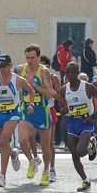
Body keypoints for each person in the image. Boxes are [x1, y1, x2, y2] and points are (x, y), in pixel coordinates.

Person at [0, 54, 35, 188]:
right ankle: (14, 154)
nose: (2, 69)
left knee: (4, 141)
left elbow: (31, 91)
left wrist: (30, 104)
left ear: (10, 66)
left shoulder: (18, 80)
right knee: (3, 144)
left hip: (12, 114)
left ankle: (2, 177)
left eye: (4, 66)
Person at [59, 62, 97, 192]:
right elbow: (63, 106)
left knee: (80, 151)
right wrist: (63, 110)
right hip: (72, 122)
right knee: (74, 154)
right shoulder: (64, 89)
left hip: (86, 122)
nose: (69, 75)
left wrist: (94, 116)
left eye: (72, 72)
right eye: (67, 72)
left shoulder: (88, 87)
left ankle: (91, 144)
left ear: (78, 72)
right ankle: (85, 181)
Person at [15, 44, 55, 186]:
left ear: (39, 57)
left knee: (45, 147)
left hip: (42, 112)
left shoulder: (44, 72)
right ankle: (32, 161)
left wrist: (34, 85)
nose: (30, 61)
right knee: (22, 141)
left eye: (33, 58)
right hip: (26, 110)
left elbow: (50, 94)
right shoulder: (21, 69)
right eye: (27, 58)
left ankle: (46, 171)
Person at [39, 55, 61, 183]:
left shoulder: (53, 77)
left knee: (48, 144)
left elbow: (60, 96)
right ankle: (34, 159)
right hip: (34, 110)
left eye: (42, 66)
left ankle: (51, 169)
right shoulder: (32, 75)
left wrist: (48, 92)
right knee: (27, 137)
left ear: (47, 66)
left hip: (48, 109)